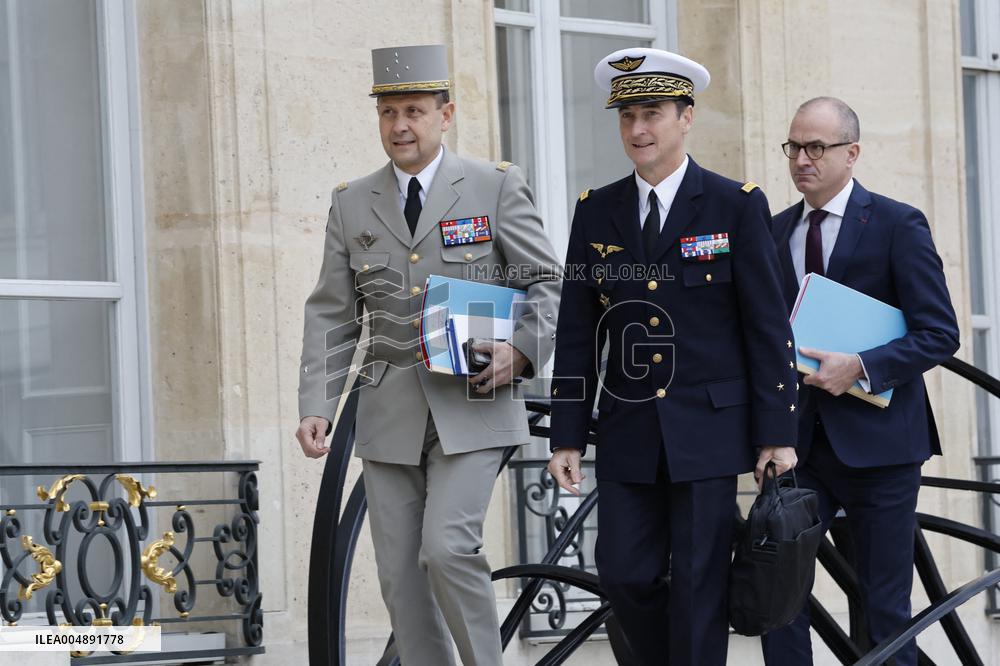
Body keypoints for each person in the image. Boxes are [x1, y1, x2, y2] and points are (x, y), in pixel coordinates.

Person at [294, 44, 560, 666]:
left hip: (474, 405)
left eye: (413, 111)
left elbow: (547, 283)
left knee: (447, 549)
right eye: (388, 113)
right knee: (400, 579)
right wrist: (317, 403)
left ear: (446, 114)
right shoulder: (351, 201)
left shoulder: (495, 186)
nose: (400, 126)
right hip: (389, 417)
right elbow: (333, 311)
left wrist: (521, 351)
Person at [546, 47, 798, 666]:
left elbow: (767, 326)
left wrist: (777, 432)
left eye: (652, 113)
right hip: (628, 429)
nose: (638, 129)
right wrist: (567, 434)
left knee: (698, 584)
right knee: (623, 574)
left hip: (708, 430)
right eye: (627, 115)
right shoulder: (595, 210)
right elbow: (578, 330)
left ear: (686, 118)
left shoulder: (735, 204)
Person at [760, 97, 960, 666]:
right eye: (794, 147)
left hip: (881, 450)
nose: (802, 159)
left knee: (884, 609)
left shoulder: (898, 224)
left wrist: (862, 366)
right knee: (777, 599)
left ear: (852, 153)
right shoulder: (773, 231)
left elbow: (939, 333)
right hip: (796, 447)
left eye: (816, 147)